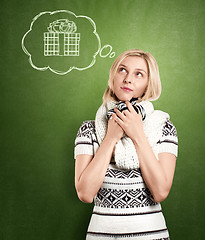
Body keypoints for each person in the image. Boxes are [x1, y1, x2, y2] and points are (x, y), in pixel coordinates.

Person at [74, 49, 178, 240]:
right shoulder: (89, 130)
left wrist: (137, 134)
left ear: (148, 84)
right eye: (122, 70)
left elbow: (160, 191)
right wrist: (111, 137)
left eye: (139, 74)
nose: (128, 79)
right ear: (113, 76)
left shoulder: (163, 126)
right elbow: (85, 194)